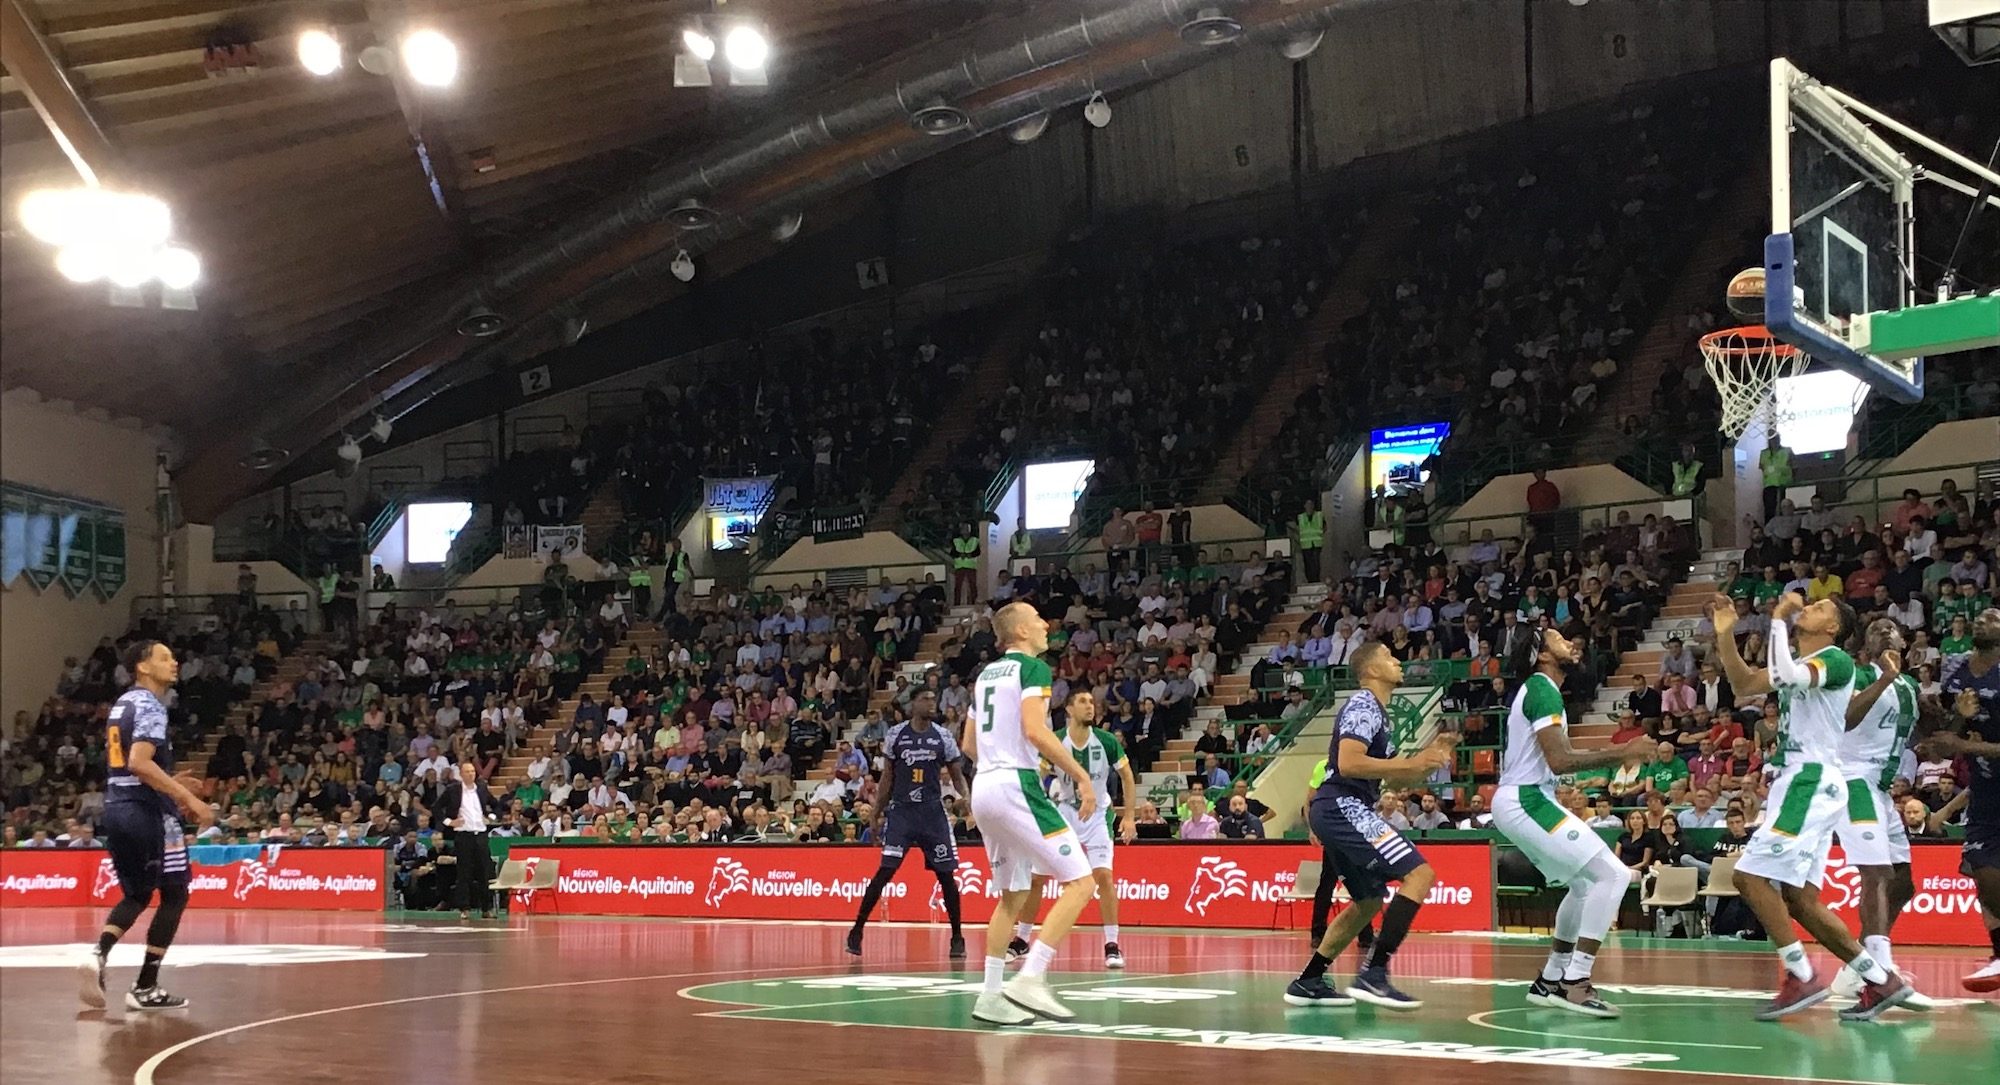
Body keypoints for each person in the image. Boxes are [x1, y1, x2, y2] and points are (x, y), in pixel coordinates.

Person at [1708, 592, 1915, 1020]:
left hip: (1810, 780)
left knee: (1748, 878)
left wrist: (1779, 620)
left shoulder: (1836, 660)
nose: (1810, 607)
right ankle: (1880, 981)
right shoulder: (1802, 666)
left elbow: (1783, 673)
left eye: (1821, 608)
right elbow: (1744, 684)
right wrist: (1726, 635)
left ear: (1832, 628)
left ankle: (1800, 974)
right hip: (1806, 783)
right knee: (1801, 901)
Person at [1283, 642, 1456, 1011]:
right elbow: (1349, 763)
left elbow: (1389, 778)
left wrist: (1427, 762)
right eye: (1390, 656)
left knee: (1368, 901)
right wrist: (1413, 762)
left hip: (1342, 808)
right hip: (1342, 805)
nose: (1398, 660)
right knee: (1420, 875)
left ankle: (1310, 979)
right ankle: (1374, 974)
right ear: (1372, 669)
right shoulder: (1363, 704)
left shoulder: (1379, 713)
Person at [1490, 628, 1654, 1017]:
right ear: (1541, 654)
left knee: (1583, 885)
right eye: (1559, 639)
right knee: (1613, 875)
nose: (1571, 642)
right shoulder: (1543, 688)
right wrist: (1622, 752)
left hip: (1527, 798)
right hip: (1525, 798)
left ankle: (1551, 979)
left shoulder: (1542, 689)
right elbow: (1560, 761)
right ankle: (1575, 982)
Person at [961, 602, 1098, 1025]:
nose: (1046, 623)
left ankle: (990, 995)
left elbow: (968, 744)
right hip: (1015, 785)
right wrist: (1081, 776)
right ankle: (1032, 976)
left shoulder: (986, 674)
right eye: (1039, 618)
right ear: (1021, 630)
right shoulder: (1033, 669)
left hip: (983, 786)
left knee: (1013, 897)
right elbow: (1035, 731)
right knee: (1081, 882)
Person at [79, 640, 213, 1011]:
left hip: (118, 806)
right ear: (142, 666)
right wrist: (187, 799)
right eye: (165, 658)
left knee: (141, 893)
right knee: (175, 892)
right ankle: (145, 985)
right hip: (146, 811)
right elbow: (140, 762)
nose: (175, 663)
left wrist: (170, 782)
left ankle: (99, 954)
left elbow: (131, 767)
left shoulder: (122, 703)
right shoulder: (151, 705)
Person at [1828, 621, 1928, 1006]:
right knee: (1874, 873)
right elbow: (1846, 718)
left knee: (1903, 881)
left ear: (1903, 641)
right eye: (1875, 629)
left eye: (1891, 629)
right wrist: (1885, 677)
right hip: (1853, 781)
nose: (1884, 631)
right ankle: (1879, 975)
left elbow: (1925, 736)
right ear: (1864, 644)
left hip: (1883, 792)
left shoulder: (1909, 686)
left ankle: (1857, 968)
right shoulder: (1858, 674)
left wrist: (1956, 718)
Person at [1012, 689, 1137, 969]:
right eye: (1083, 702)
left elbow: (1127, 777)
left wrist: (1129, 817)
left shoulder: (1106, 741)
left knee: (1103, 877)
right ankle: (1021, 940)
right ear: (1068, 709)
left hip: (1098, 816)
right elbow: (1038, 777)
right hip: (1065, 812)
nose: (1090, 706)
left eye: (1092, 702)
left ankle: (1112, 945)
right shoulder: (1055, 740)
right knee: (1037, 878)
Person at [849, 689, 970, 959]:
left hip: (932, 812)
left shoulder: (943, 736)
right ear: (913, 704)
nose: (932, 702)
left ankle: (957, 937)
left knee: (946, 876)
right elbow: (887, 779)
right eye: (926, 699)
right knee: (885, 871)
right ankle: (857, 930)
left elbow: (957, 775)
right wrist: (876, 813)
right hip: (902, 812)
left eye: (933, 698)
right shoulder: (896, 735)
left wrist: (968, 798)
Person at [1929, 606, 2000, 992]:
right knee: (1979, 871)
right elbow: (1943, 743)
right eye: (1980, 618)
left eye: (1994, 618)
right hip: (1985, 790)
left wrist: (1962, 743)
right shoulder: (1957, 672)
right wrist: (1956, 719)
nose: (1983, 622)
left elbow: (1955, 744)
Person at [438, 761, 501, 920]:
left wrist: (491, 817)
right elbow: (436, 807)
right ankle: (464, 908)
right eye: (467, 771)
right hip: (463, 834)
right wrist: (449, 822)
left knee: (483, 872)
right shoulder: (453, 790)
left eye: (473, 771)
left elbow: (497, 805)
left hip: (480, 834)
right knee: (463, 873)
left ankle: (486, 908)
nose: (471, 774)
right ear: (461, 774)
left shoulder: (481, 788)